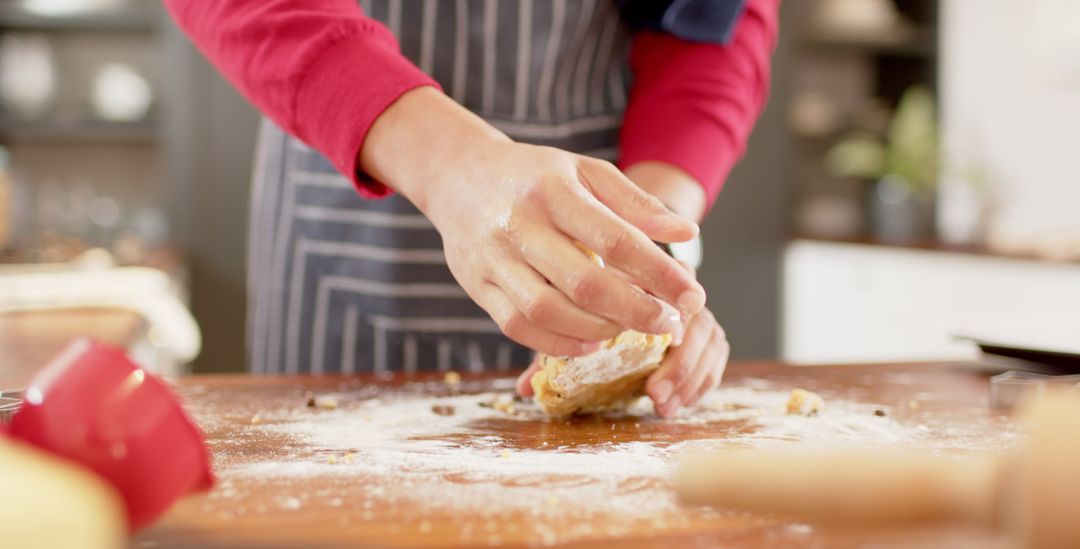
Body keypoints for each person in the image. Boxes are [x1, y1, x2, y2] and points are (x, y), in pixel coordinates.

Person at [165, 0, 779, 417]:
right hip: (352, 202)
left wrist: (649, 246)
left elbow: (711, 25)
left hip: (605, 189)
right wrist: (451, 165)